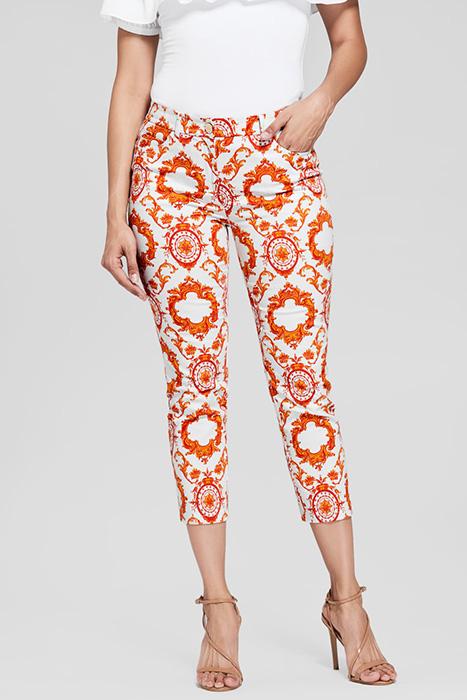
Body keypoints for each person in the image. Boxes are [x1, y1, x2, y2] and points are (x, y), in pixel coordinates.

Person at [99, 0, 397, 690]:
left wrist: (322, 100)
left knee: (303, 385)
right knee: (195, 391)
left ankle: (347, 603)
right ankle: (218, 610)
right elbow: (130, 78)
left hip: (275, 159)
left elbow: (349, 36)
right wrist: (114, 210)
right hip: (171, 167)